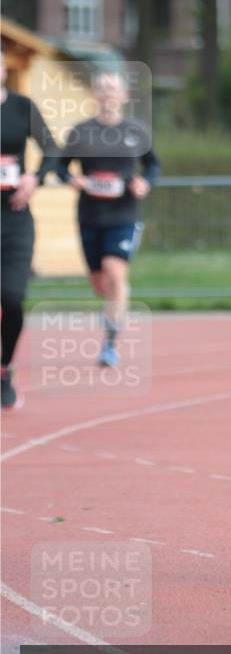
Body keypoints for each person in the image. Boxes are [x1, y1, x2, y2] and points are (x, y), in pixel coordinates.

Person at [58, 71, 160, 367]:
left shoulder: (136, 131)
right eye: (102, 88)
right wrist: (72, 180)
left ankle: (110, 344)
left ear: (124, 96)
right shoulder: (81, 132)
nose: (108, 93)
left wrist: (145, 183)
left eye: (113, 88)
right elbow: (61, 167)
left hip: (123, 215)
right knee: (100, 284)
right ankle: (114, 309)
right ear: (95, 94)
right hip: (90, 216)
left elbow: (153, 165)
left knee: (115, 275)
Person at [1, 51, 63, 410]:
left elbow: (53, 149)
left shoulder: (22, 106)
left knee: (11, 298)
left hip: (15, 221)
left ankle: (5, 366)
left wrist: (33, 178)